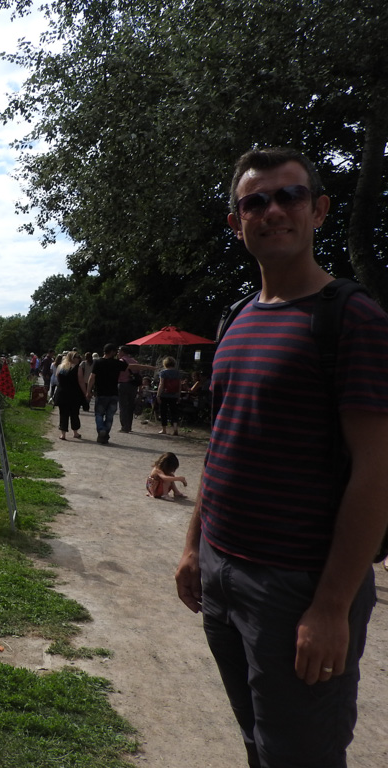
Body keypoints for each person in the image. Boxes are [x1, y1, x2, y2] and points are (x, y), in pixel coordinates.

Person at [174, 147, 388, 768]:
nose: (272, 211)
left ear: (318, 210)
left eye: (289, 196)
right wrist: (194, 549)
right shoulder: (238, 319)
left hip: (296, 587)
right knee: (258, 742)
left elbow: (376, 473)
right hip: (223, 571)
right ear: (237, 221)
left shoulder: (353, 319)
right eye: (254, 202)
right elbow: (223, 447)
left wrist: (329, 607)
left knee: (302, 755)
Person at [86, 343, 151, 444]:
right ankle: (105, 434)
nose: (116, 353)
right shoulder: (117, 363)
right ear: (111, 352)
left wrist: (88, 391)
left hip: (101, 393)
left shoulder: (98, 362)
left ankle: (101, 430)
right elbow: (133, 366)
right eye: (115, 351)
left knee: (99, 414)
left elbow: (92, 377)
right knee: (110, 416)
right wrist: (148, 367)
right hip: (113, 393)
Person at [53, 351, 86, 440]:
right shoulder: (77, 368)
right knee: (74, 413)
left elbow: (58, 379)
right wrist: (85, 393)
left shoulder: (61, 367)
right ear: (73, 358)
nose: (78, 359)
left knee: (63, 413)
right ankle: (75, 432)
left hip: (62, 393)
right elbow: (81, 382)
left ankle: (63, 434)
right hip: (74, 394)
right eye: (77, 357)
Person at [116, 345, 141, 433]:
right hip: (133, 386)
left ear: (122, 352)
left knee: (123, 406)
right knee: (130, 406)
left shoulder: (121, 361)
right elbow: (139, 375)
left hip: (123, 384)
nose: (118, 353)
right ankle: (129, 426)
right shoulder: (135, 361)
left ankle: (124, 426)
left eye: (119, 351)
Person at [155, 356, 182, 435]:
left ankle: (164, 429)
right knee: (174, 412)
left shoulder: (163, 373)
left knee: (163, 411)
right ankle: (175, 428)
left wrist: (158, 395)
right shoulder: (178, 373)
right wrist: (178, 395)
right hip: (174, 395)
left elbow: (161, 384)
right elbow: (179, 385)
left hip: (164, 395)